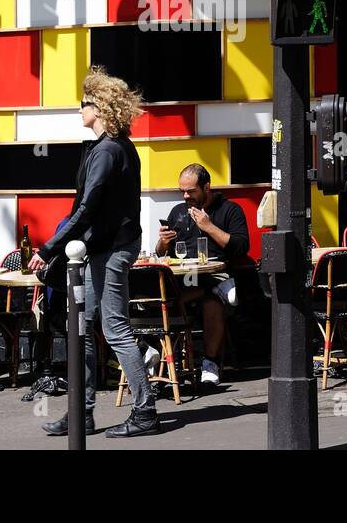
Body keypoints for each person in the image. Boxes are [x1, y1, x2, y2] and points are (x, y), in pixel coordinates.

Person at [28, 66, 157, 438]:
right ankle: (81, 412)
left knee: (114, 328)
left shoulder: (107, 151)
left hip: (111, 249)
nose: (79, 109)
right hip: (105, 246)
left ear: (98, 108)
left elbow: (86, 208)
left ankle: (145, 412)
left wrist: (48, 248)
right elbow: (84, 209)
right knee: (80, 328)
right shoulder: (113, 148)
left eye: (83, 104)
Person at [154, 163, 250, 386]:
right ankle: (153, 353)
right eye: (182, 191)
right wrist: (163, 242)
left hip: (217, 272)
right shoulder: (178, 212)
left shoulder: (230, 210)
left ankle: (210, 363)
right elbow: (161, 252)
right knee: (157, 298)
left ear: (207, 187)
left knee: (212, 302)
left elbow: (240, 247)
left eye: (191, 191)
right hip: (184, 279)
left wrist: (208, 227)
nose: (186, 196)